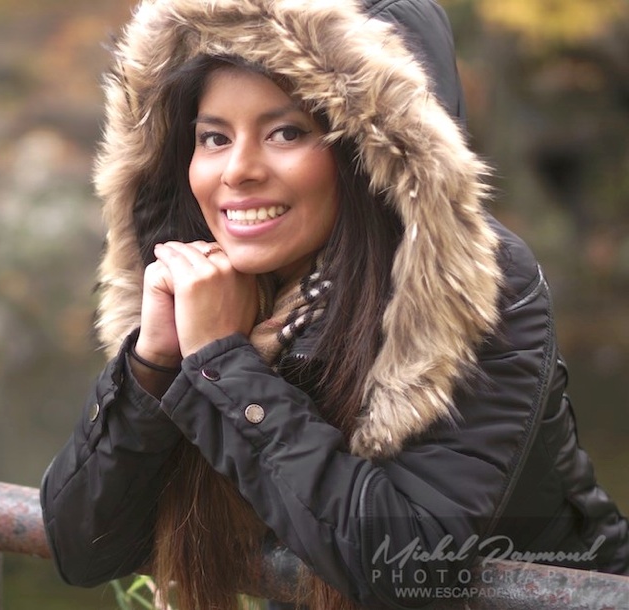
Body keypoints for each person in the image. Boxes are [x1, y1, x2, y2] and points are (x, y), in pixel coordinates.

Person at [40, 0, 629, 609]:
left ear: (376, 154)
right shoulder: (214, 291)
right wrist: (154, 364)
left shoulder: (474, 285)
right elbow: (83, 547)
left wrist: (224, 366)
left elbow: (411, 568)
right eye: (213, 137)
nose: (237, 170)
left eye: (287, 132)